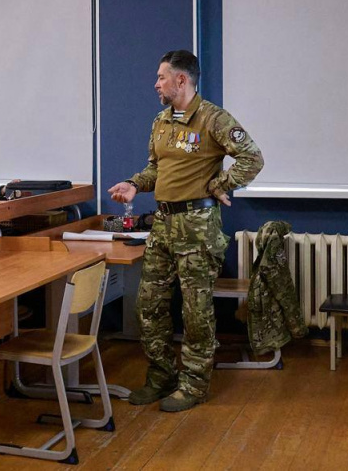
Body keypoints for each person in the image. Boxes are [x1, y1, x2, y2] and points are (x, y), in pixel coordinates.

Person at [108, 50, 264, 412]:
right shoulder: (161, 121)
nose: (156, 84)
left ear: (181, 79)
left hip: (197, 227)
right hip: (163, 224)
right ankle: (161, 376)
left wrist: (220, 184)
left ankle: (194, 383)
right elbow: (155, 169)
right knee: (149, 305)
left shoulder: (213, 118)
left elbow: (252, 157)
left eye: (161, 77)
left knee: (196, 311)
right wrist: (134, 184)